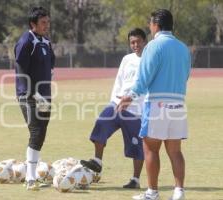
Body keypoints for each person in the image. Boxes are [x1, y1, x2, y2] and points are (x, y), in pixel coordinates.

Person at [117, 9, 191, 200]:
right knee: (175, 151)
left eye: (150, 24)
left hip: (157, 104)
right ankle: (179, 192)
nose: (149, 27)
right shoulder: (183, 48)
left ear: (156, 25)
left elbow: (144, 78)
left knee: (150, 148)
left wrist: (130, 96)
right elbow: (186, 75)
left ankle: (152, 192)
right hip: (179, 104)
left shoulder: (153, 46)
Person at [80, 28, 147, 189]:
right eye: (132, 42)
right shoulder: (126, 59)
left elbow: (147, 86)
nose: (135, 45)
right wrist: (114, 100)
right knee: (101, 124)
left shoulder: (150, 60)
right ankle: (97, 161)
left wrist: (133, 101)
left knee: (136, 146)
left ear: (145, 41)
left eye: (138, 41)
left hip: (135, 110)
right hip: (117, 104)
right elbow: (119, 80)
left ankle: (135, 180)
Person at [14, 6, 55, 191]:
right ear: (33, 24)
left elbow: (50, 65)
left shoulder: (46, 41)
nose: (47, 25)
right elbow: (21, 70)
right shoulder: (25, 41)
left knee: (42, 133)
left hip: (45, 96)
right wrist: (32, 93)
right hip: (29, 95)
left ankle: (32, 172)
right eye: (43, 23)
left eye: (48, 22)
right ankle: (30, 178)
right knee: (36, 131)